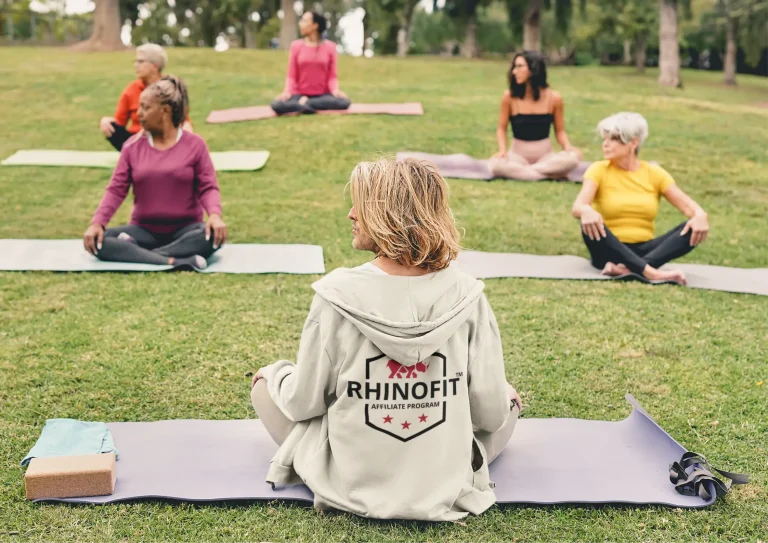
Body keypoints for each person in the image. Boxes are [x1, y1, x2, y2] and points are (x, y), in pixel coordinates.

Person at [250, 158, 522, 521]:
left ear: (387, 214)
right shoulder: (468, 294)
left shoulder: (334, 296)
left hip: (351, 482)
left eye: (360, 205)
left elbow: (303, 405)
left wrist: (277, 375)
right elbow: (490, 415)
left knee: (263, 384)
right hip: (443, 482)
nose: (350, 214)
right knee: (508, 400)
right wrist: (503, 397)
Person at [84, 76, 227, 270]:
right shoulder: (131, 147)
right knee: (102, 241)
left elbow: (208, 186)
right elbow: (116, 190)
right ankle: (176, 260)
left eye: (145, 108)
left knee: (209, 236)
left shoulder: (195, 145)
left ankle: (140, 254)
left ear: (164, 111)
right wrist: (97, 223)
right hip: (143, 231)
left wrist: (215, 215)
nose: (139, 114)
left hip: (187, 230)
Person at [571, 112, 710, 285]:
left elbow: (689, 208)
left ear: (633, 143)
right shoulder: (598, 170)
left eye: (613, 139)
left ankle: (629, 269)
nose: (605, 145)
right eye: (604, 139)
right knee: (589, 222)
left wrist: (700, 215)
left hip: (644, 251)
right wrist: (586, 210)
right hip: (607, 249)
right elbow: (578, 206)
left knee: (691, 228)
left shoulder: (654, 174)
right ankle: (651, 272)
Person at [489, 50, 581, 181]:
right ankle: (548, 174)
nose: (514, 71)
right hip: (517, 157)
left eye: (520, 66)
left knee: (573, 159)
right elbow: (501, 129)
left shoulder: (554, 98)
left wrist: (568, 147)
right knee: (495, 165)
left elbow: (560, 131)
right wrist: (503, 151)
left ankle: (526, 174)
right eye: (514, 67)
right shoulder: (509, 97)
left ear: (534, 69)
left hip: (546, 157)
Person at [99, 44, 192, 151]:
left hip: (164, 140)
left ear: (155, 66)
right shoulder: (131, 89)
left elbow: (184, 121)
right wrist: (106, 121)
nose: (135, 65)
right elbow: (120, 122)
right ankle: (135, 155)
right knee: (108, 125)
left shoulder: (170, 89)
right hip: (137, 141)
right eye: (135, 61)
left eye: (140, 61)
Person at [271, 11, 351, 115]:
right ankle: (307, 106)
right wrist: (287, 92)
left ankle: (305, 104)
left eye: (304, 21)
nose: (300, 23)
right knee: (276, 105)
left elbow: (332, 75)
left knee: (345, 102)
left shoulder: (330, 47)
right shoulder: (296, 46)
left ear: (314, 25)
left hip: (322, 96)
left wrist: (335, 90)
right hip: (298, 95)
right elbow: (292, 75)